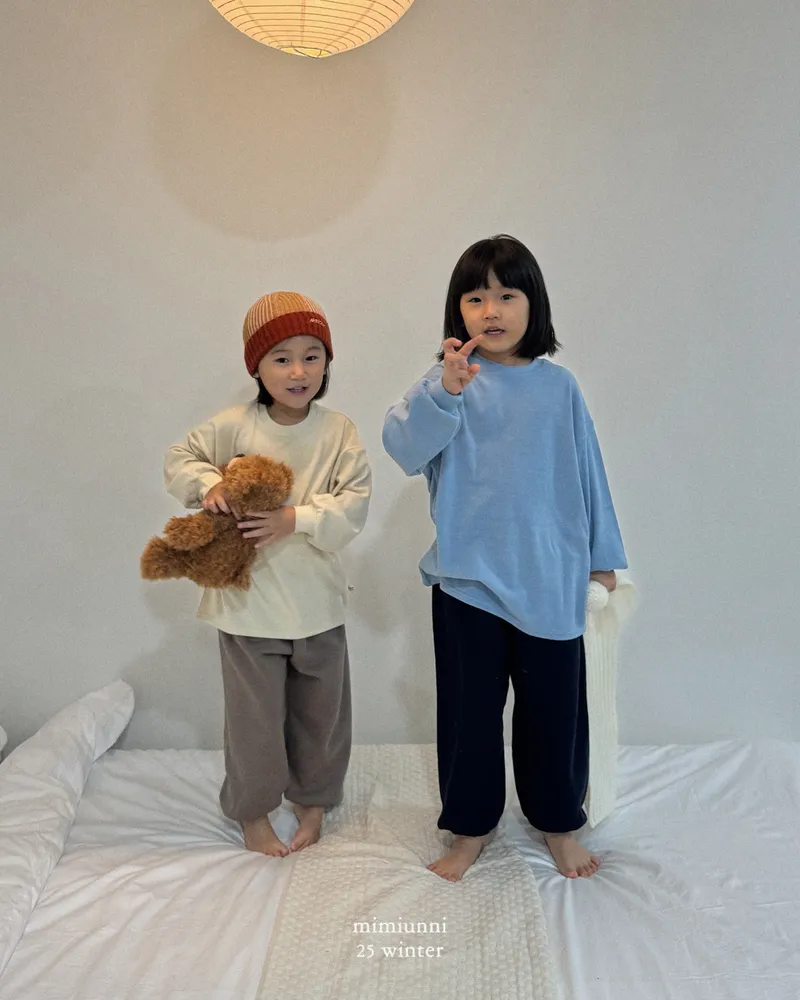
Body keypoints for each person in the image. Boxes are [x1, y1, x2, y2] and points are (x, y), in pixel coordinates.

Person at [382, 236, 626, 881]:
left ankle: (559, 823)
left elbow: (589, 474)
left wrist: (603, 558)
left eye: (506, 295)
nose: (491, 310)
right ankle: (469, 830)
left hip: (550, 579)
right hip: (468, 581)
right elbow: (402, 448)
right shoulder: (447, 381)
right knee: (470, 719)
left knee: (554, 716)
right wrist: (447, 392)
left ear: (532, 304)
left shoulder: (559, 388)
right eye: (475, 297)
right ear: (457, 310)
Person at [164, 291, 371, 856]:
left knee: (322, 714)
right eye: (282, 358)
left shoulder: (338, 432)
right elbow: (180, 458)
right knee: (253, 721)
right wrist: (209, 484)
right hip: (248, 606)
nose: (298, 371)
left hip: (317, 603)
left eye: (312, 356)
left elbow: (354, 503)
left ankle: (313, 798)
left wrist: (293, 518)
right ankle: (253, 811)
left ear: (327, 362)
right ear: (256, 366)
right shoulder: (234, 426)